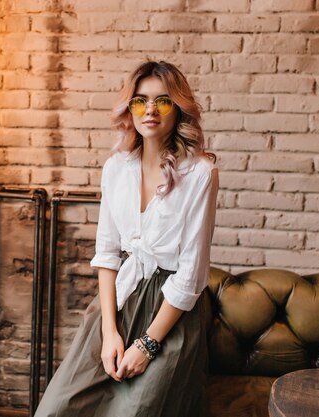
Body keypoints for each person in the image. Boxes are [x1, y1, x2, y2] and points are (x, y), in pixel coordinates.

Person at [34, 60, 219, 417]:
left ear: (178, 108)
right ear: (129, 108)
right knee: (56, 408)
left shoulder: (200, 174)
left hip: (171, 316)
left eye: (162, 101)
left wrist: (148, 344)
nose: (149, 110)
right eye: (140, 101)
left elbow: (191, 276)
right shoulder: (117, 168)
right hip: (120, 301)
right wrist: (108, 331)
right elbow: (106, 255)